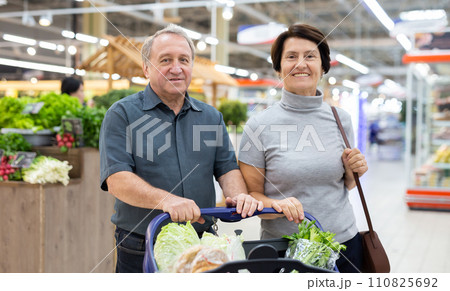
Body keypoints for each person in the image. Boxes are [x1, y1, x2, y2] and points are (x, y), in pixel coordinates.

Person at [99, 24, 263, 273]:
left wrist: (238, 195)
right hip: (142, 243)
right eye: (165, 60)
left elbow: (227, 168)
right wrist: (167, 201)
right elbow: (117, 179)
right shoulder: (122, 114)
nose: (176, 68)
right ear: (146, 68)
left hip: (201, 240)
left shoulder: (210, 117)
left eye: (183, 60)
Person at [238, 24, 368, 273]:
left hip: (343, 246)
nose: (301, 64)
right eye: (291, 56)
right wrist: (278, 205)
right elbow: (252, 196)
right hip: (285, 250)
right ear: (279, 68)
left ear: (323, 66)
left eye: (310, 56)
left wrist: (355, 171)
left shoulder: (341, 118)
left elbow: (344, 184)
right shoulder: (258, 125)